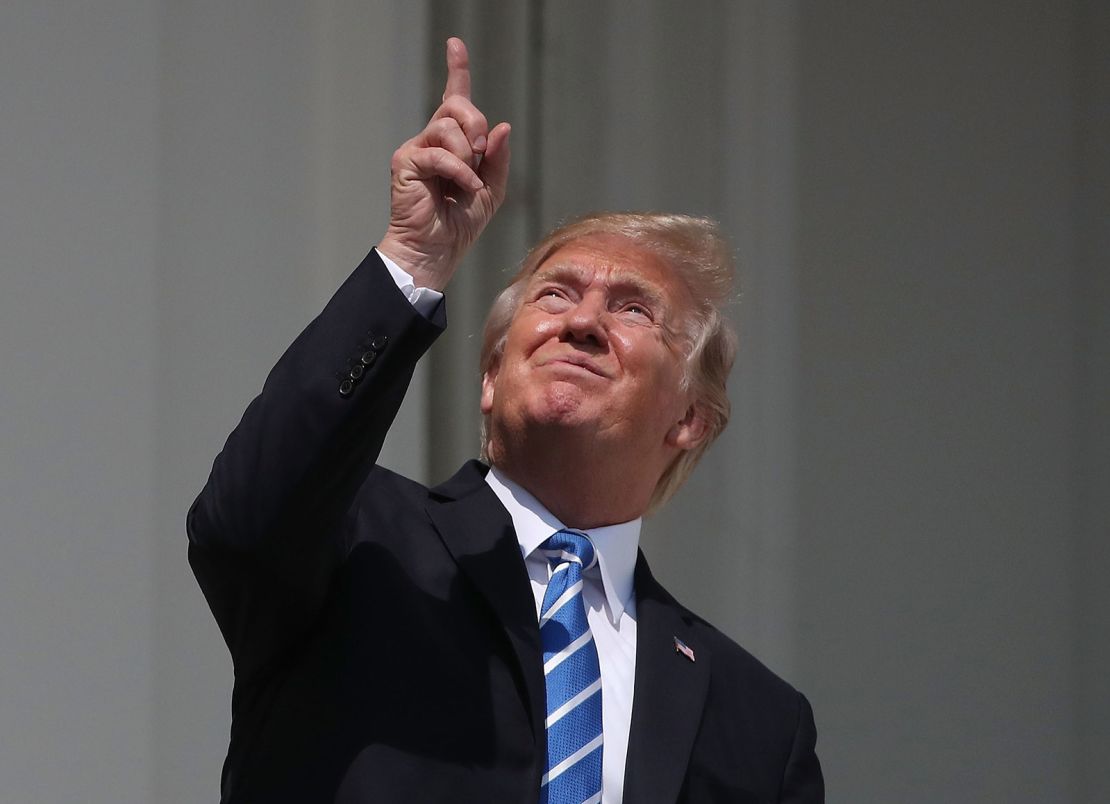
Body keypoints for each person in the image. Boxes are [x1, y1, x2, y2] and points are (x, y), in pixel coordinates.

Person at [189, 37, 823, 804]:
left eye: (631, 309)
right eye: (554, 294)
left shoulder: (758, 720)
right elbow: (240, 520)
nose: (583, 321)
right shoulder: (359, 542)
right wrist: (414, 259)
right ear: (489, 378)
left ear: (691, 419)